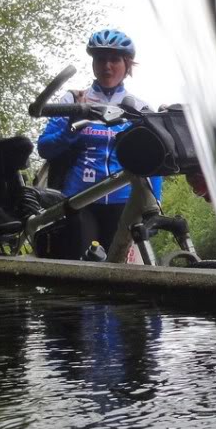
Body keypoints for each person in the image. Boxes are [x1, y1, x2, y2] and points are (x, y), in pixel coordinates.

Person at [37, 28, 162, 259]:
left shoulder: (140, 108)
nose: (107, 66)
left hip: (124, 203)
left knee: (121, 272)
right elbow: (45, 147)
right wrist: (71, 129)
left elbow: (154, 162)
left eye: (114, 59)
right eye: (100, 58)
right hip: (79, 199)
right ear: (93, 63)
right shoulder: (72, 100)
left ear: (127, 64)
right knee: (83, 267)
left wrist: (154, 203)